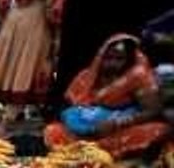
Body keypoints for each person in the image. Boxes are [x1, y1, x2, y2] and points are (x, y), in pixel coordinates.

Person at [43, 33, 171, 159]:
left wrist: (117, 123)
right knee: (52, 131)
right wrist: (83, 125)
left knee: (159, 130)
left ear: (128, 60)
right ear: (100, 56)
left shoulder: (137, 77)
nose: (112, 63)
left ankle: (92, 151)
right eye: (108, 58)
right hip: (83, 131)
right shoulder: (86, 76)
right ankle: (88, 150)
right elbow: (66, 106)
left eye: (119, 59)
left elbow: (153, 110)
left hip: (117, 131)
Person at [0, 0, 64, 108]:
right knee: (26, 66)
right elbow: (55, 7)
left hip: (14, 18)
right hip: (36, 19)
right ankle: (11, 113)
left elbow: (1, 2)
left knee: (8, 64)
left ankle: (1, 112)